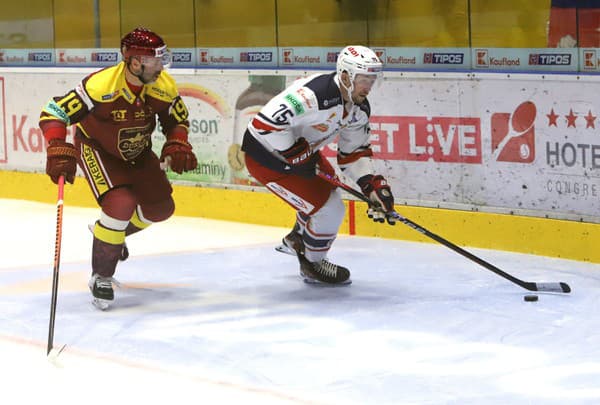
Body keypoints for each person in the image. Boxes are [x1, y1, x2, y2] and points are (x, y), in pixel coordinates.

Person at [39, 27, 198, 309]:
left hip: (137, 151)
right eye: (156, 60)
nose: (162, 66)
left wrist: (177, 141)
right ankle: (101, 275)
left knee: (161, 209)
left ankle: (108, 234)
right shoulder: (100, 87)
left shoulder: (163, 86)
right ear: (135, 62)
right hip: (98, 150)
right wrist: (56, 146)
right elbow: (55, 111)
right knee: (121, 203)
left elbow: (177, 120)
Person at [242, 45, 395, 285]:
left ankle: (297, 238)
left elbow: (353, 153)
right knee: (330, 209)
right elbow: (263, 126)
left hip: (301, 154)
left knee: (327, 190)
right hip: (266, 157)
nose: (368, 86)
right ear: (345, 76)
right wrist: (294, 154)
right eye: (363, 79)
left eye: (372, 79)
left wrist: (370, 185)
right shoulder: (312, 96)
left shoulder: (359, 108)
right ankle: (312, 264)